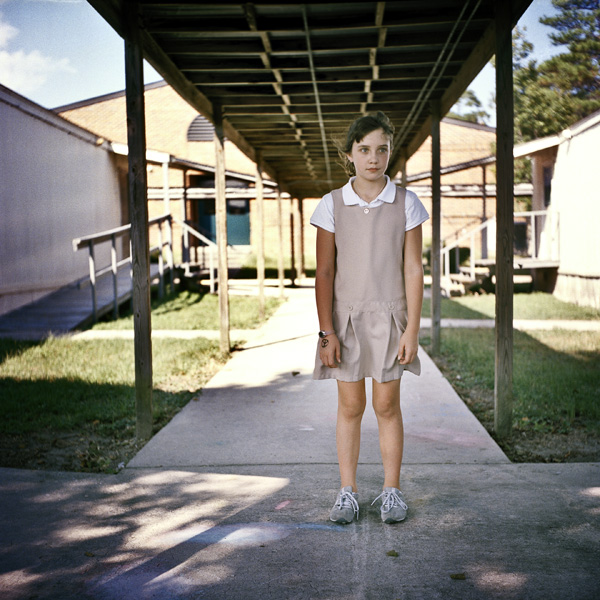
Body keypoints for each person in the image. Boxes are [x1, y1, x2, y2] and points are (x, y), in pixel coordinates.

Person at [310, 111, 429, 524]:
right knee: (350, 405)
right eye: (364, 150)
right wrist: (326, 332)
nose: (373, 158)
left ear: (390, 152)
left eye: (382, 149)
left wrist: (412, 329)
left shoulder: (406, 202)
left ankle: (392, 491)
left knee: (386, 404)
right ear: (350, 155)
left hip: (391, 318)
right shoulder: (331, 204)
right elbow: (325, 272)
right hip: (345, 321)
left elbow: (413, 269)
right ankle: (348, 492)